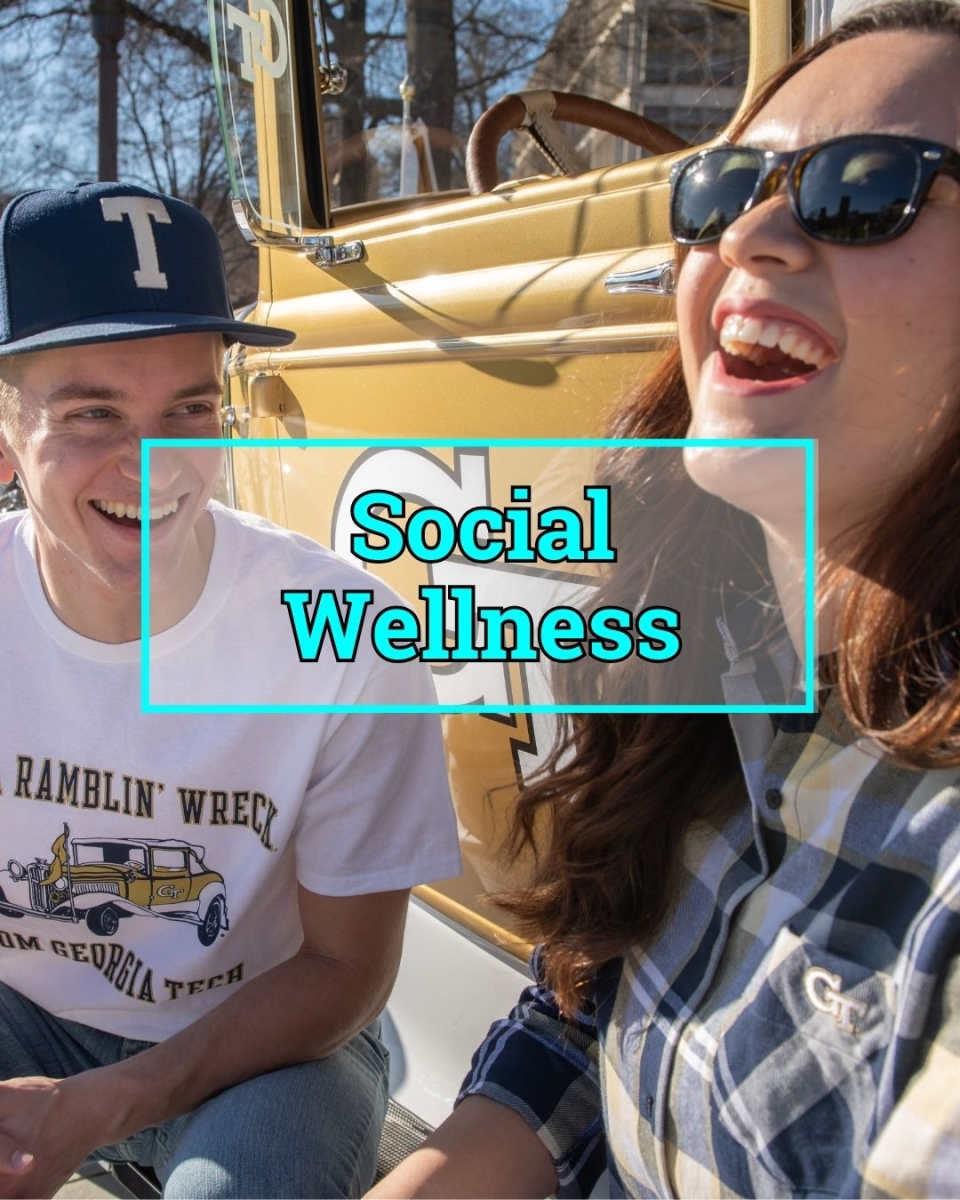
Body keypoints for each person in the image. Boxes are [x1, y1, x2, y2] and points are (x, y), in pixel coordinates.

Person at [369, 2, 960, 1196]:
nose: (753, 233)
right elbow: (585, 1011)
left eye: (865, 188)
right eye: (723, 187)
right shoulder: (723, 642)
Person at [0, 182, 462, 1199]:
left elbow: (345, 974)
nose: (153, 460)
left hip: (273, 1044)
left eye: (189, 410)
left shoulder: (346, 632)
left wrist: (106, 1105)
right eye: (92, 413)